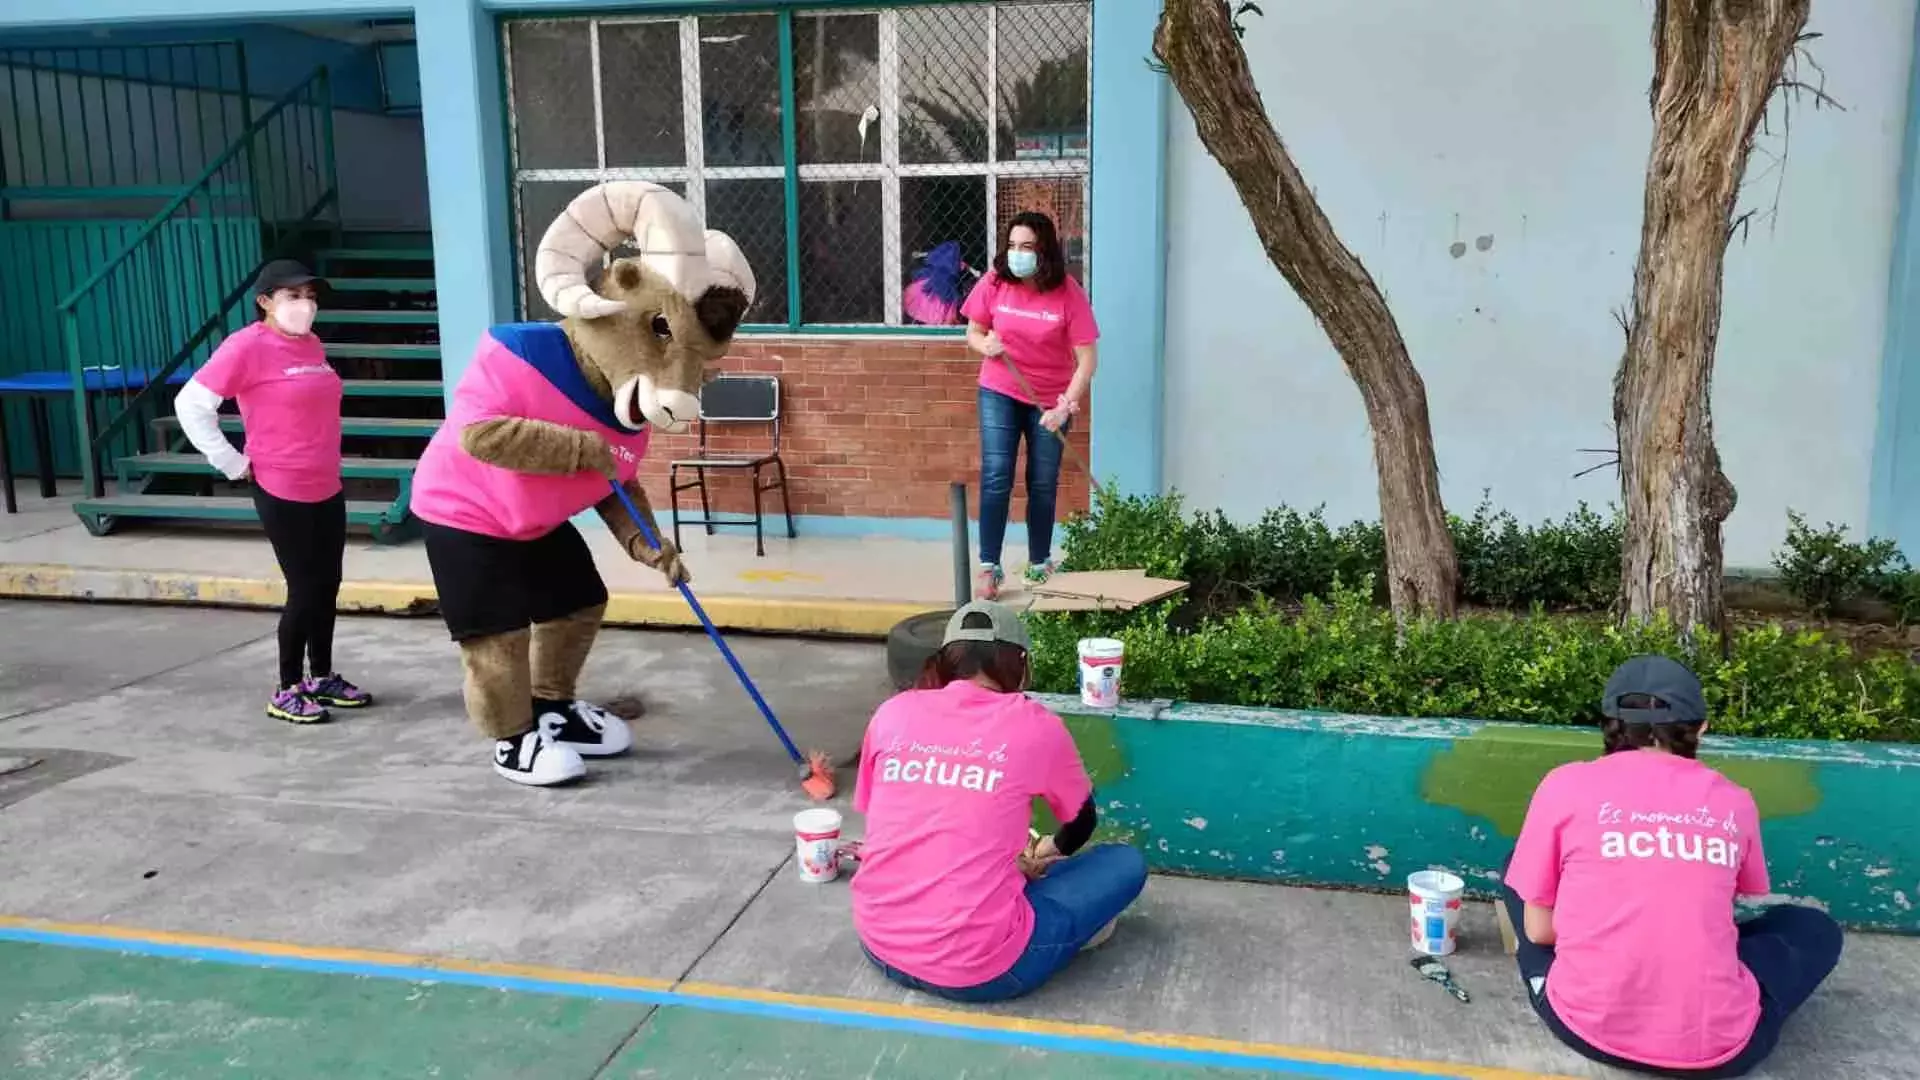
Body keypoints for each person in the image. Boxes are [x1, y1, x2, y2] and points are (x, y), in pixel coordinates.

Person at [1499, 655, 1843, 1078]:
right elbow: (1713, 911)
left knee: (1518, 867)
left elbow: (1539, 931)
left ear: (1609, 724)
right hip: (1721, 1051)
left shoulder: (1564, 784)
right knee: (1810, 929)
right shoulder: (1734, 799)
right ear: (1701, 728)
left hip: (1583, 1027)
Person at [851, 600, 1148, 1002]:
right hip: (982, 970)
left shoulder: (891, 713)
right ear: (1020, 663)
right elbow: (1081, 823)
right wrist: (1043, 852)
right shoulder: (1035, 725)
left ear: (946, 660)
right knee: (1122, 863)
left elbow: (902, 827)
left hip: (879, 943)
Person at [174, 258, 371, 725]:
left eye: (310, 297)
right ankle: (286, 688)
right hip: (281, 485)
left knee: (328, 585)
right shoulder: (245, 347)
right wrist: (231, 462)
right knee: (304, 588)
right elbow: (191, 404)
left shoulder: (311, 345)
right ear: (265, 302)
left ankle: (320, 676)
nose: (304, 305)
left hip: (326, 481)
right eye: (292, 296)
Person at [961, 212, 1098, 601]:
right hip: (1000, 389)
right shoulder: (995, 281)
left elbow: (1087, 360)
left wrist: (1065, 407)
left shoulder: (1068, 292)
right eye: (1013, 245)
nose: (1018, 254)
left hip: (1050, 399)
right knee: (997, 474)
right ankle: (990, 567)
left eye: (1028, 247)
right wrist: (984, 344)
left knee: (1042, 480)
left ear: (1045, 251)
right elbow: (973, 331)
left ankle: (1040, 562)